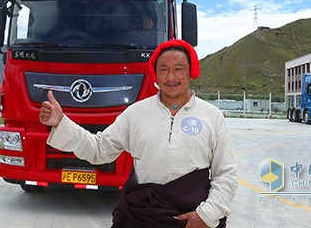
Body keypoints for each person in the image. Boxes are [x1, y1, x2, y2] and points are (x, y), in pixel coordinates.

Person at [40, 39, 237, 227]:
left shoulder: (212, 116)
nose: (171, 77)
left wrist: (206, 215)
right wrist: (62, 122)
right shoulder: (136, 113)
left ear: (191, 72)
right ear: (155, 74)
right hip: (142, 216)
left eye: (179, 69)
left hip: (192, 219)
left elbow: (225, 174)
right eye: (164, 70)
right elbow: (99, 149)